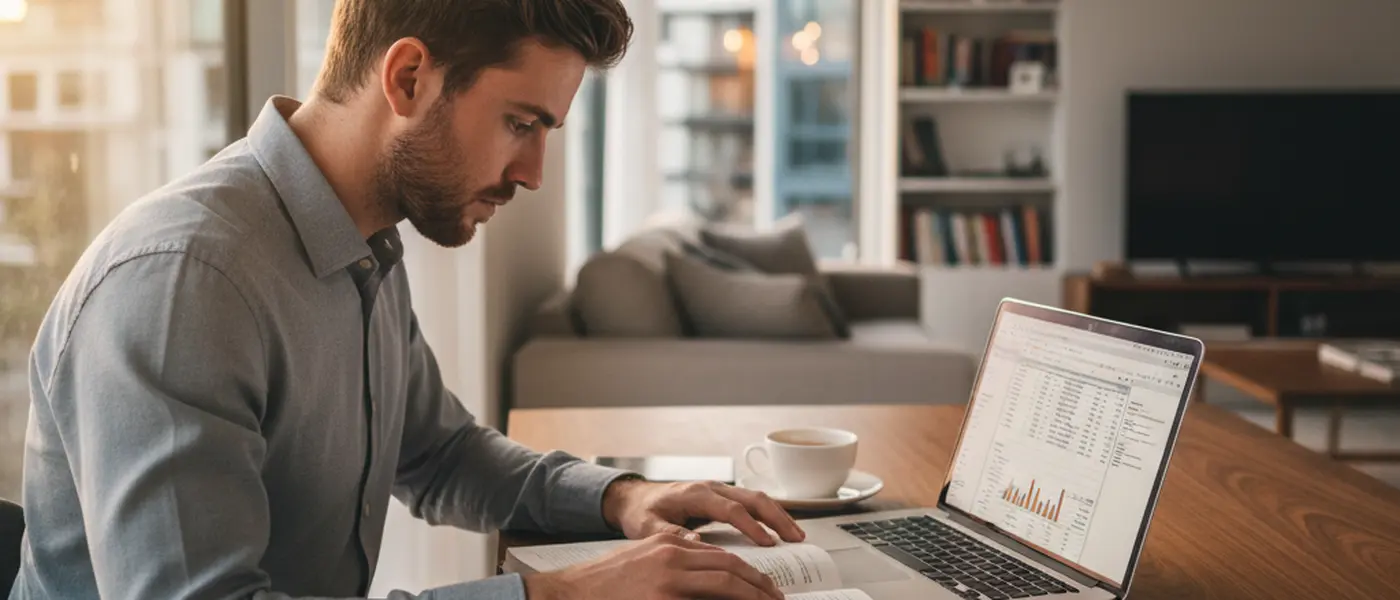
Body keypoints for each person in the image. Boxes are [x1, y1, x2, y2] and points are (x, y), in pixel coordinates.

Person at [9, 1, 805, 599]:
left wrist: (624, 496)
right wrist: (558, 594)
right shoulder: (183, 285)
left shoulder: (365, 241)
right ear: (408, 78)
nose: (534, 172)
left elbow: (438, 452)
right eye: (520, 123)